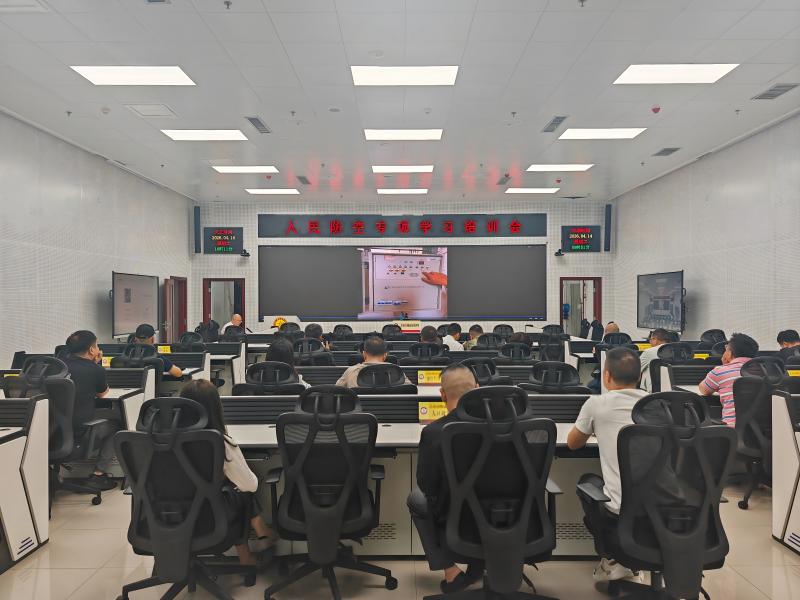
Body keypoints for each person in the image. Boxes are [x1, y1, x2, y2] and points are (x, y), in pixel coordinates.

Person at [567, 347, 647, 582]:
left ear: (606, 376)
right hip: (665, 509)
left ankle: (611, 557)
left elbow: (573, 444)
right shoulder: (657, 404)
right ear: (639, 377)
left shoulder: (597, 404)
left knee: (587, 482)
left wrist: (597, 428)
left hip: (621, 513)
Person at [180, 379, 277, 566]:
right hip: (210, 517)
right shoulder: (219, 443)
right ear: (216, 408)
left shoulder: (158, 441)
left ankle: (255, 537)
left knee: (231, 487)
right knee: (240, 490)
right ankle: (258, 534)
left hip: (167, 516)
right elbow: (250, 484)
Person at [408, 364, 482, 593]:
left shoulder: (434, 433)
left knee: (417, 499)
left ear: (442, 395)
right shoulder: (505, 426)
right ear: (478, 389)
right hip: (505, 517)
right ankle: (481, 564)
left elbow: (426, 485)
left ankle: (451, 573)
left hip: (455, 521)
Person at [62, 330, 119, 488]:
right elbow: (102, 393)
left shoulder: (57, 366)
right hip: (81, 433)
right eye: (97, 345)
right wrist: (95, 365)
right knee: (116, 425)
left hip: (50, 432)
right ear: (92, 350)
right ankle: (98, 474)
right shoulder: (95, 370)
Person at [699, 333, 759, 427]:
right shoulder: (767, 372)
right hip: (766, 431)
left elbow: (704, 390)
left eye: (726, 349)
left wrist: (724, 367)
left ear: (730, 353)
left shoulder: (720, 371)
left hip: (732, 429)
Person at [335, 336, 412, 388]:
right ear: (385, 355)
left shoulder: (351, 371)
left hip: (361, 408)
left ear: (364, 354)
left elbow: (337, 390)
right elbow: (410, 389)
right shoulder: (396, 371)